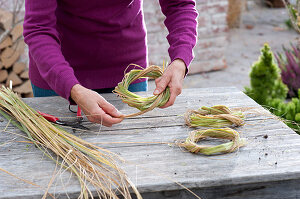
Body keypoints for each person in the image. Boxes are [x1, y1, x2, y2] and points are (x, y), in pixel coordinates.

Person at [23, 0, 198, 127]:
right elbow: (39, 28)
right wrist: (72, 88)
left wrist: (180, 59)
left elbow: (179, 4)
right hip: (56, 76)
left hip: (126, 72)